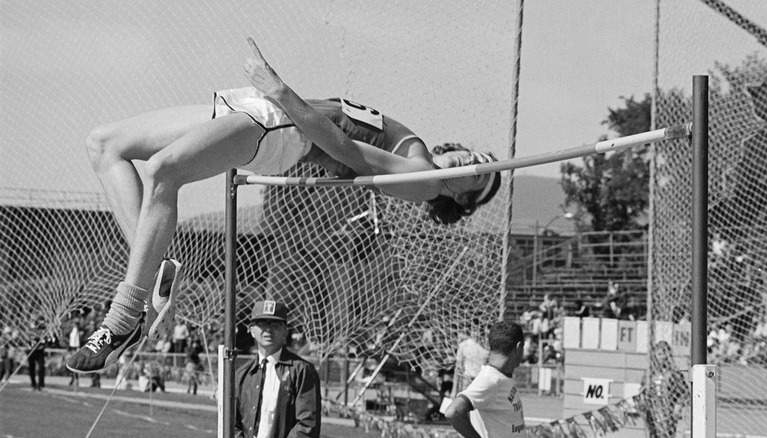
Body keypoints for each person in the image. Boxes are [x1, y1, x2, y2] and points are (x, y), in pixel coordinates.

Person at [66, 38, 502, 374]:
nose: (474, 161)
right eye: (481, 156)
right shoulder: (418, 150)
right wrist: (276, 96)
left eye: (480, 174)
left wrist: (280, 89)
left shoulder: (422, 181)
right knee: (104, 145)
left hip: (284, 132)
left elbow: (348, 151)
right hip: (269, 110)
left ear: (462, 197)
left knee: (164, 171)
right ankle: (157, 270)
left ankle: (122, 319)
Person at [235, 300, 321, 438]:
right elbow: (233, 425)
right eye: (262, 324)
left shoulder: (302, 371)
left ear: (285, 331)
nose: (268, 330)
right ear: (251, 330)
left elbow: (307, 425)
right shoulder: (242, 375)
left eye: (275, 325)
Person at [445, 321, 526, 437]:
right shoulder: (490, 380)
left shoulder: (501, 376)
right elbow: (453, 412)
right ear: (518, 348)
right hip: (468, 378)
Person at [640, 341, 689, 438]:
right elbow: (642, 389)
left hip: (668, 411)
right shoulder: (650, 373)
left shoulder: (674, 373)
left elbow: (684, 392)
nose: (662, 357)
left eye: (665, 354)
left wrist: (678, 406)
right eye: (659, 354)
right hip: (653, 410)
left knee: (666, 434)